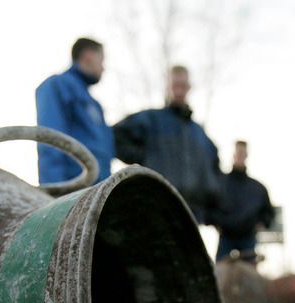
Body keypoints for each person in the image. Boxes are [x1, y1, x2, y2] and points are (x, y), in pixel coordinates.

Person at [113, 65, 223, 225]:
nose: (179, 91)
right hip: (155, 206)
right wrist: (144, 157)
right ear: (167, 87)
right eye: (175, 85)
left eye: (183, 86)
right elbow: (116, 136)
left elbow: (215, 168)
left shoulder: (199, 134)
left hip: (192, 214)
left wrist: (211, 200)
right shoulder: (151, 120)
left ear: (189, 88)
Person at [35, 37, 113, 184]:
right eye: (101, 60)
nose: (103, 68)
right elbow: (51, 140)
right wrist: (53, 192)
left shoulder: (95, 105)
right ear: (88, 56)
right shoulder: (57, 86)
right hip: (72, 192)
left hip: (98, 194)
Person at [216, 141, 274, 262]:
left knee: (249, 276)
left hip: (247, 237)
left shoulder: (258, 188)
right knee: (220, 274)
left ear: (246, 155)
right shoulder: (220, 183)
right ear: (233, 154)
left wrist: (261, 224)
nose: (240, 156)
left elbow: (268, 212)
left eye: (243, 153)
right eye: (238, 153)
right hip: (226, 236)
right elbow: (209, 206)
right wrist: (216, 222)